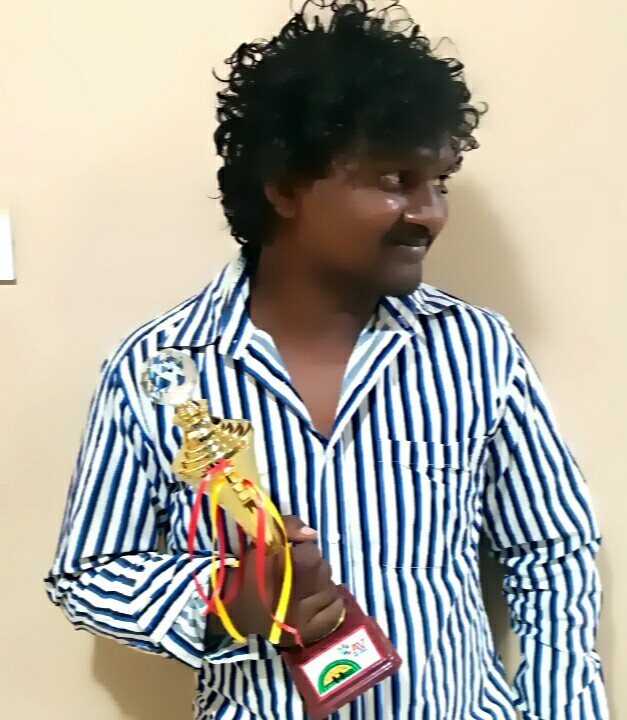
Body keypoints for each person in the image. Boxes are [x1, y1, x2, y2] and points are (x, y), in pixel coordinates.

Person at [45, 1, 608, 718]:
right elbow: (90, 572)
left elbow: (551, 552)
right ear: (284, 187)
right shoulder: (157, 372)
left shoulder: (475, 351)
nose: (430, 212)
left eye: (439, 182)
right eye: (394, 180)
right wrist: (227, 603)